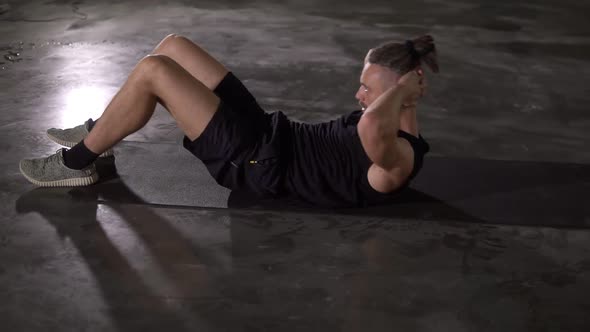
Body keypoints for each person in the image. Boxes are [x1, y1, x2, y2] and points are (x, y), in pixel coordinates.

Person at [19, 34, 438, 207]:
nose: (358, 96)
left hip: (255, 164)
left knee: (154, 71)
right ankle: (102, 133)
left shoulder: (400, 158)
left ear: (402, 93)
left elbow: (370, 128)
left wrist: (400, 91)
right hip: (268, 132)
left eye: (370, 89)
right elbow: (371, 117)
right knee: (175, 46)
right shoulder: (382, 118)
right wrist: (392, 91)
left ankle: (76, 163)